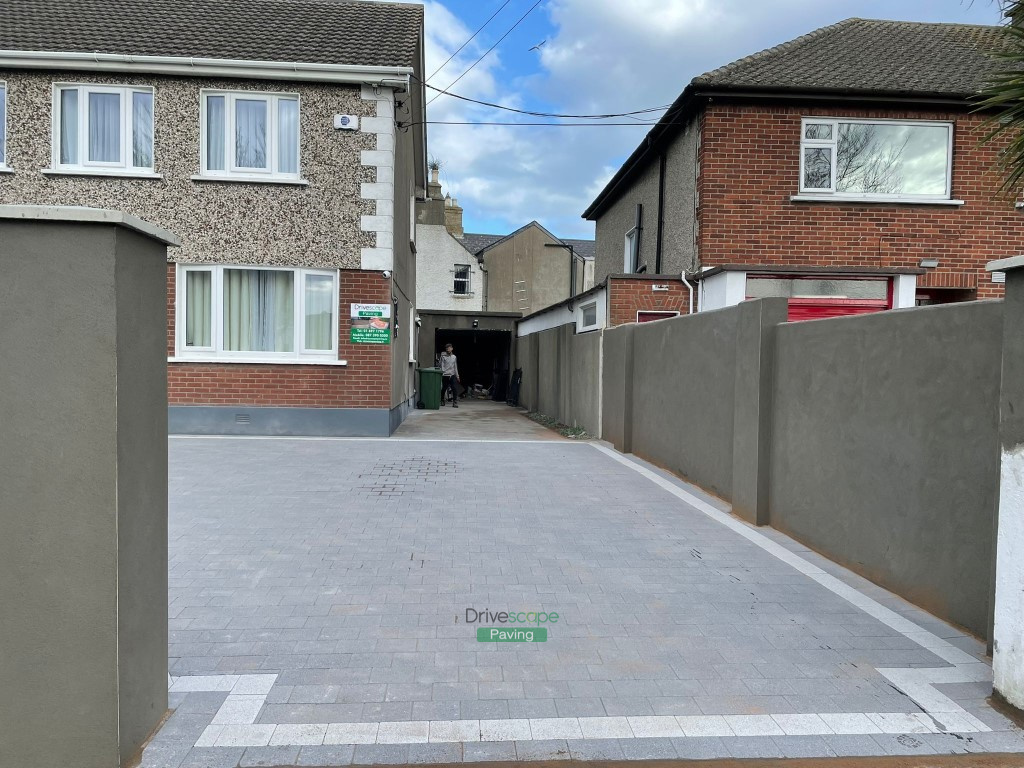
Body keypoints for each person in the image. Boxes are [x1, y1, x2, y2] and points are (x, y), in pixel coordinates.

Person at [439, 343, 460, 408]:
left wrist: (457, 376)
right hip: (445, 375)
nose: (448, 349)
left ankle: (455, 402)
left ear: (452, 348)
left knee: (454, 388)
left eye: (449, 348)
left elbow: (455, 367)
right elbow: (441, 366)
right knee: (444, 388)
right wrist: (442, 374)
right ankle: (442, 400)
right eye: (447, 348)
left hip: (452, 375)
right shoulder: (443, 357)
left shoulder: (454, 357)